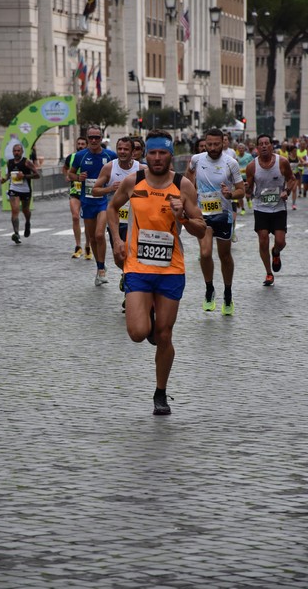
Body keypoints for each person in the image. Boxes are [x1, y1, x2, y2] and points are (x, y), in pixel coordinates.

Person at [107, 129, 206, 416]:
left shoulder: (182, 185)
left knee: (164, 335)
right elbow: (112, 209)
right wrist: (116, 240)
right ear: (144, 154)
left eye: (163, 152)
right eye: (153, 152)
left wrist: (183, 216)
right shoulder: (132, 181)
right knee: (139, 333)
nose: (158, 158)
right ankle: (145, 314)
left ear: (170, 155)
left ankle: (160, 393)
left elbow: (201, 229)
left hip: (170, 269)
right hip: (138, 266)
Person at [186, 128, 244, 315]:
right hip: (202, 214)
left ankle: (228, 294)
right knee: (204, 253)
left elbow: (241, 190)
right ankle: (209, 289)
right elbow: (187, 181)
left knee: (224, 255)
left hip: (224, 213)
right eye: (209, 144)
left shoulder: (231, 163)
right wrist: (188, 198)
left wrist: (231, 194)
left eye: (216, 144)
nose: (212, 148)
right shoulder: (196, 159)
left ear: (223, 143)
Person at [93, 136, 146, 308]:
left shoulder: (142, 169)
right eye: (120, 149)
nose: (122, 152)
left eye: (126, 149)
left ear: (133, 152)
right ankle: (125, 275)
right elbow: (94, 191)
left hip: (136, 220)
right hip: (116, 219)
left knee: (132, 256)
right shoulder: (109, 167)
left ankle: (129, 294)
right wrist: (110, 189)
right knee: (118, 256)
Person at [68, 125, 117, 286]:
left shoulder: (110, 155)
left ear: (102, 138)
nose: (94, 140)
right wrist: (78, 177)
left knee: (99, 234)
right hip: (88, 200)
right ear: (87, 138)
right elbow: (70, 174)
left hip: (105, 200)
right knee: (92, 238)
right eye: (91, 138)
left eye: (97, 137)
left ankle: (102, 270)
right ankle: (100, 266)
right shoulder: (81, 156)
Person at [245, 134, 296, 287]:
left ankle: (276, 252)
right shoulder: (252, 166)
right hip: (261, 207)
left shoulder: (282, 162)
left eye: (267, 143)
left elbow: (292, 178)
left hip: (279, 207)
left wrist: (286, 191)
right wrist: (247, 190)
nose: (264, 146)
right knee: (263, 240)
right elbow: (249, 189)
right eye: (261, 144)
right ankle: (268, 273)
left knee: (280, 242)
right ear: (257, 148)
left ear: (271, 146)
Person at [1, 144, 40, 244]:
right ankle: (16, 233)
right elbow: (9, 174)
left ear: (22, 152)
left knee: (25, 210)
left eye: (18, 151)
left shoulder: (27, 162)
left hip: (25, 190)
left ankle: (27, 222)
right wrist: (4, 179)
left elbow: (37, 175)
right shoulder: (9, 162)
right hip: (14, 189)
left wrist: (24, 176)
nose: (16, 153)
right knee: (15, 210)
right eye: (14, 151)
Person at [62, 136, 92, 259]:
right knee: (75, 217)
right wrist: (67, 176)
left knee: (87, 220)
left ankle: (88, 246)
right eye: (78, 143)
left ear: (86, 145)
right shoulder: (71, 157)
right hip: (75, 191)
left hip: (87, 191)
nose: (80, 146)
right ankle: (78, 246)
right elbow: (65, 168)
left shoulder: (90, 156)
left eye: (82, 144)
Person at [236, 143, 254, 212]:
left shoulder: (249, 156)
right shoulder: (236, 157)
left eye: (242, 148)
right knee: (240, 194)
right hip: (239, 178)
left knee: (247, 193)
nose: (241, 149)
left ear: (244, 149)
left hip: (247, 177)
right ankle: (243, 209)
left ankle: (248, 200)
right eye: (239, 148)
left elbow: (252, 165)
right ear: (237, 149)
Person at [288, 145, 299, 210]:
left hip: (296, 175)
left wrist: (303, 163)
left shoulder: (298, 157)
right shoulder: (288, 158)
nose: (295, 152)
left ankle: (294, 204)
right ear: (291, 151)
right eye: (294, 151)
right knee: (289, 189)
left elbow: (303, 162)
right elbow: (285, 165)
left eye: (296, 151)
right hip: (289, 176)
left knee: (294, 189)